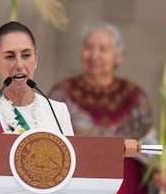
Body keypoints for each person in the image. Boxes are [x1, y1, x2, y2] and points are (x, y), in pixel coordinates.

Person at [48, 21, 161, 194]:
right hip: (77, 181)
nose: (94, 55)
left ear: (119, 56)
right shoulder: (62, 93)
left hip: (127, 185)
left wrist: (158, 171)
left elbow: (149, 141)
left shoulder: (134, 95)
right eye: (89, 48)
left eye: (103, 49)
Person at [0, 21, 74, 137]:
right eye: (10, 57)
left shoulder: (57, 110)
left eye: (26, 55)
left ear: (36, 58)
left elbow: (71, 156)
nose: (19, 65)